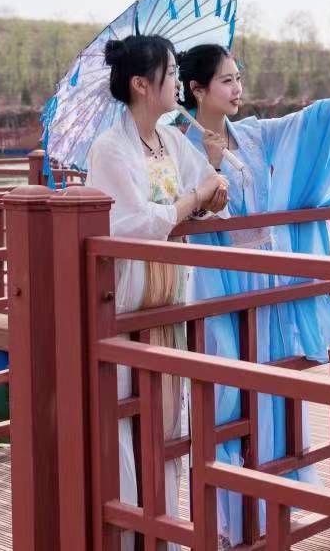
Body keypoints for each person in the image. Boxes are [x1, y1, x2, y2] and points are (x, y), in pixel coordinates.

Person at [175, 43, 330, 545]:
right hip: (217, 279)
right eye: (226, 80)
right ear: (197, 89)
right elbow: (177, 215)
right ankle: (230, 518)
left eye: (238, 78)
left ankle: (273, 501)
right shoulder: (179, 146)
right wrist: (207, 169)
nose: (237, 88)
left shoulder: (252, 134)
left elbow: (310, 119)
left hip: (265, 279)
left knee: (273, 383)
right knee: (226, 392)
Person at [83, 35, 230, 551]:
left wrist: (214, 187)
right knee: (127, 419)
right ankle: (129, 537)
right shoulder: (110, 149)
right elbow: (132, 222)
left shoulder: (171, 139)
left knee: (168, 420)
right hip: (128, 305)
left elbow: (205, 185)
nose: (177, 80)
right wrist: (191, 199)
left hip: (169, 301)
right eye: (170, 71)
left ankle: (163, 534)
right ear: (142, 85)